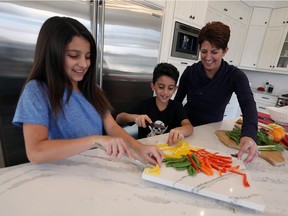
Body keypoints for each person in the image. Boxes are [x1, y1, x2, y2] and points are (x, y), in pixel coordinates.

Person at [12, 16, 163, 165]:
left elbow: (111, 126)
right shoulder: (37, 91)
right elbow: (36, 152)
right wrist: (94, 140)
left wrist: (139, 148)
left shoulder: (93, 90)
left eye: (88, 56)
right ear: (52, 54)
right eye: (73, 55)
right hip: (58, 174)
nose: (84, 64)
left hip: (92, 168)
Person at [174, 21, 258, 163]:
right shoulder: (190, 73)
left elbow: (248, 104)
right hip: (186, 129)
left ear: (224, 51)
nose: (208, 58)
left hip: (213, 131)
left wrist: (249, 134)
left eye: (214, 52)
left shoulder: (235, 76)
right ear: (199, 48)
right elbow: (176, 104)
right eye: (204, 51)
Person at [116, 63, 193, 145]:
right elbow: (119, 118)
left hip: (167, 148)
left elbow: (189, 128)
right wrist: (134, 118)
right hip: (144, 148)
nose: (165, 92)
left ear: (175, 89)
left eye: (170, 88)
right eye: (161, 87)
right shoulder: (144, 104)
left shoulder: (177, 107)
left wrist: (179, 130)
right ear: (153, 86)